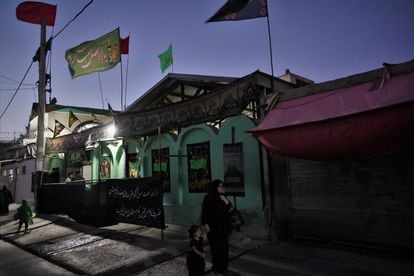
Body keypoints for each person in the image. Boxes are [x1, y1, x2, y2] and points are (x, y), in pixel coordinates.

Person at [201, 179, 232, 275]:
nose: (222, 188)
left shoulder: (223, 197)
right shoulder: (208, 198)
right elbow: (204, 213)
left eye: (223, 186)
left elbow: (231, 210)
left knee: (224, 249)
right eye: (219, 186)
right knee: (215, 250)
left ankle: (224, 267)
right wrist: (206, 225)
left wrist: (226, 201)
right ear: (215, 187)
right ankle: (216, 268)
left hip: (223, 228)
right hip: (213, 228)